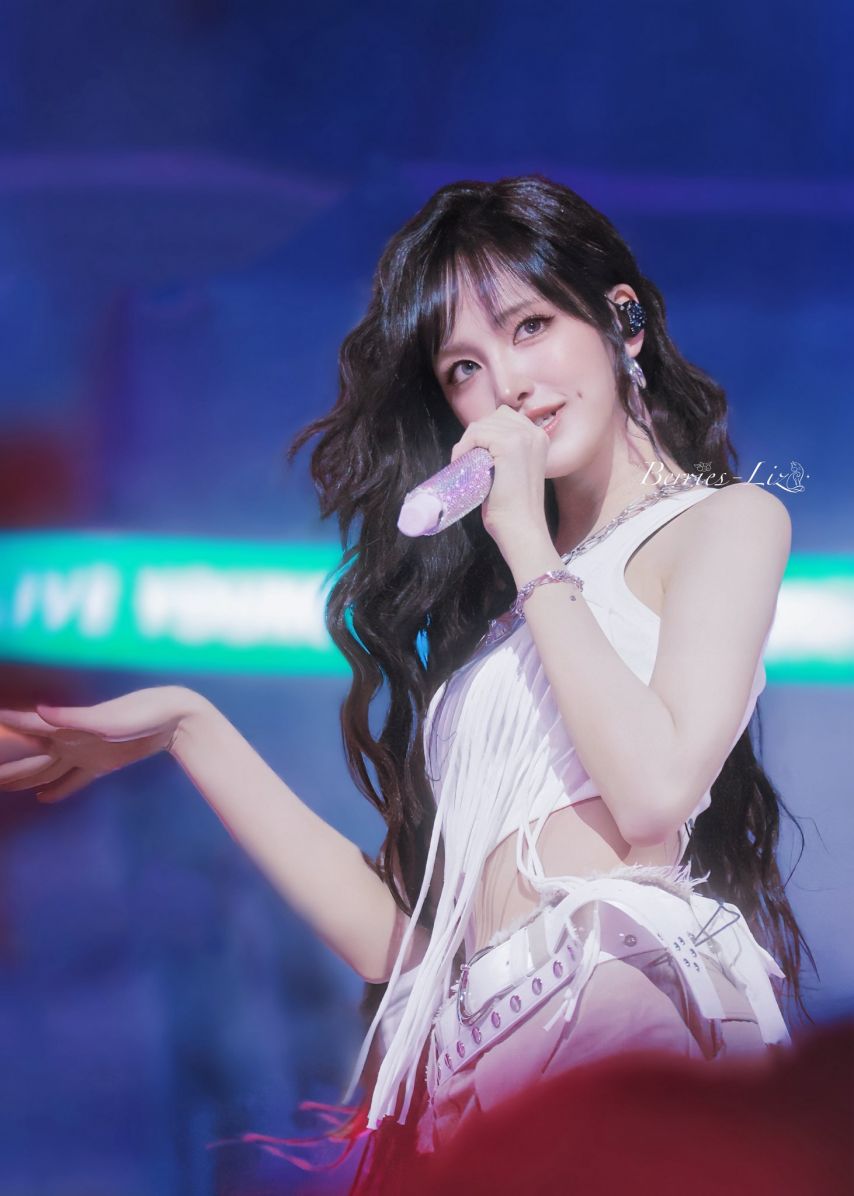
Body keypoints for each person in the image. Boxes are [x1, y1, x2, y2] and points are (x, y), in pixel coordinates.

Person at [0, 175, 816, 1190]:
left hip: (614, 1004)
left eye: (530, 326)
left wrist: (524, 541)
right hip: (475, 1058)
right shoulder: (513, 626)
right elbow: (403, 949)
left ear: (623, 322)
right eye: (464, 367)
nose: (507, 385)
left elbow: (652, 795)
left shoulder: (723, 523)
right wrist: (187, 726)